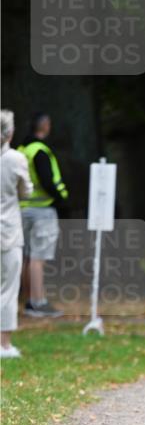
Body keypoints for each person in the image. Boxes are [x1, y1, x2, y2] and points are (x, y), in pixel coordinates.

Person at [18, 112, 68, 317]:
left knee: (27, 257)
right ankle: (39, 302)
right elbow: (48, 181)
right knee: (39, 258)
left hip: (22, 209)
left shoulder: (21, 150)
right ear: (45, 126)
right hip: (42, 210)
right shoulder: (40, 151)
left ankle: (29, 301)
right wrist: (61, 198)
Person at [1, 109, 33, 357]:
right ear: (10, 133)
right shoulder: (15, 159)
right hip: (7, 231)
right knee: (8, 288)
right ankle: (4, 344)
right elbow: (26, 193)